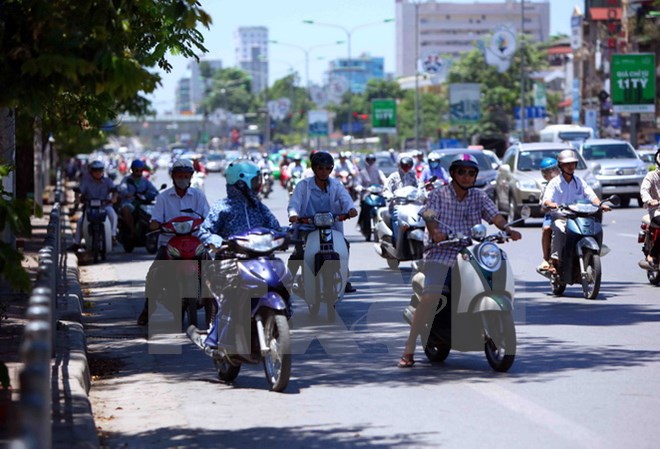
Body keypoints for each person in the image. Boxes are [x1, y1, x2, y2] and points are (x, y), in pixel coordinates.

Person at [398, 154, 522, 367]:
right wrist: (435, 232)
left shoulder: (479, 196)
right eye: (462, 172)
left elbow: (495, 216)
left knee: (492, 273)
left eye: (471, 173)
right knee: (431, 296)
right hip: (442, 251)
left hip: (471, 250)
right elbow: (428, 213)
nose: (466, 177)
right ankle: (408, 349)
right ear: (453, 173)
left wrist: (507, 229)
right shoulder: (438, 194)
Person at [195, 159, 282, 347]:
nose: (259, 185)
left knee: (282, 280)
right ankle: (214, 338)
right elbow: (204, 231)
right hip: (230, 261)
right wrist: (217, 242)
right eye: (256, 181)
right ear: (242, 182)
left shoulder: (258, 206)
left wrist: (286, 234)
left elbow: (275, 226)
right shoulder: (222, 207)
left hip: (261, 260)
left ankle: (279, 317)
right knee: (229, 299)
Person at [137, 158, 210, 325]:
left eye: (186, 175)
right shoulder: (163, 197)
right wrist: (155, 224)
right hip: (169, 242)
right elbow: (155, 220)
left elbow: (208, 218)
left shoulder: (198, 196)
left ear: (191, 177)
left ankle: (214, 308)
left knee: (211, 267)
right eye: (179, 175)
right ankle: (148, 309)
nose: (182, 178)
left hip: (194, 241)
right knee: (154, 274)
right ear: (173, 176)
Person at [287, 151, 358, 293]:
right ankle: (287, 281)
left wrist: (351, 209)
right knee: (299, 252)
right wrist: (293, 214)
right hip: (307, 227)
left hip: (330, 227)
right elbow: (294, 203)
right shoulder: (303, 186)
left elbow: (346, 199)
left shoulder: (336, 185)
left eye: (327, 168)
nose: (324, 172)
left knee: (344, 245)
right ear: (314, 168)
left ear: (331, 169)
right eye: (320, 168)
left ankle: (344, 277)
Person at [541, 149, 611, 274]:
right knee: (558, 228)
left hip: (579, 216)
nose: (570, 166)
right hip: (561, 216)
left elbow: (591, 195)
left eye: (573, 163)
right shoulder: (554, 183)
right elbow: (547, 199)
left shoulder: (579, 181)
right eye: (567, 164)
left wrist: (600, 204)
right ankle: (554, 259)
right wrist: (551, 204)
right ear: (561, 166)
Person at [72, 160, 118, 249]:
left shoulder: (108, 181)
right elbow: (79, 191)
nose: (97, 173)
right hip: (90, 207)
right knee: (80, 221)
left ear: (103, 171)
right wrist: (77, 199)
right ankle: (76, 243)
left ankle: (113, 236)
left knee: (113, 215)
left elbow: (114, 190)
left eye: (100, 170)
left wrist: (114, 198)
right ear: (91, 171)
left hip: (105, 206)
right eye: (95, 170)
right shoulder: (86, 181)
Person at [117, 160, 160, 240]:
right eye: (137, 170)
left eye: (141, 170)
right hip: (130, 202)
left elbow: (154, 190)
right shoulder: (126, 180)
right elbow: (122, 189)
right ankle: (132, 230)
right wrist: (127, 194)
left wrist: (154, 194)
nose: (139, 172)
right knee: (126, 209)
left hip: (142, 203)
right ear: (132, 170)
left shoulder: (145, 181)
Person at [384, 156, 418, 247]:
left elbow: (417, 188)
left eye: (408, 166)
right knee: (396, 218)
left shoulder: (412, 176)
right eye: (404, 166)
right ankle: (397, 241)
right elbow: (386, 190)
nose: (406, 168)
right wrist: (390, 196)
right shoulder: (393, 176)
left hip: (411, 206)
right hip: (397, 206)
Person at [537, 157, 560, 271]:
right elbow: (543, 205)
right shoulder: (545, 187)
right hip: (552, 215)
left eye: (554, 170)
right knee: (547, 229)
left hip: (569, 213)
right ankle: (546, 258)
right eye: (548, 172)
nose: (552, 173)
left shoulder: (565, 182)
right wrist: (549, 205)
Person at [639, 148, 660, 268]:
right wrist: (649, 200)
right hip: (656, 210)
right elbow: (644, 190)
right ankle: (653, 253)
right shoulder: (651, 176)